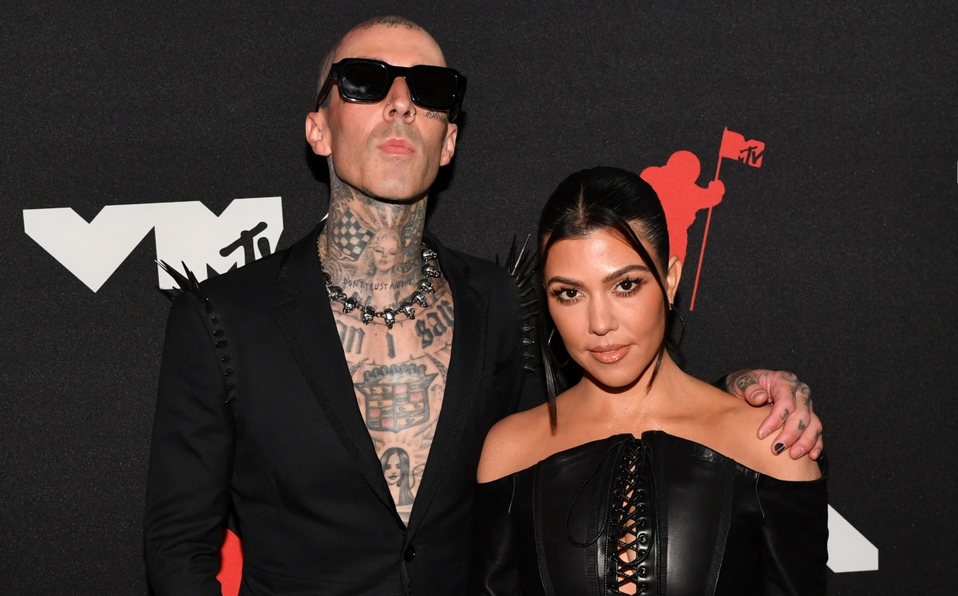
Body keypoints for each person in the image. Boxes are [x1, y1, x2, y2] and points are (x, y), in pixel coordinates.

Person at [144, 16, 822, 595]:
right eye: (365, 81)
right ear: (318, 129)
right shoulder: (224, 318)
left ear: (449, 140)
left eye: (430, 90)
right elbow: (178, 550)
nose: (401, 104)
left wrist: (744, 394)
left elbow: (589, 424)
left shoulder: (499, 302)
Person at [471, 166, 827, 595]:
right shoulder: (511, 452)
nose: (599, 323)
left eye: (625, 285)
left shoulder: (770, 444)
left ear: (670, 281)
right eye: (570, 293)